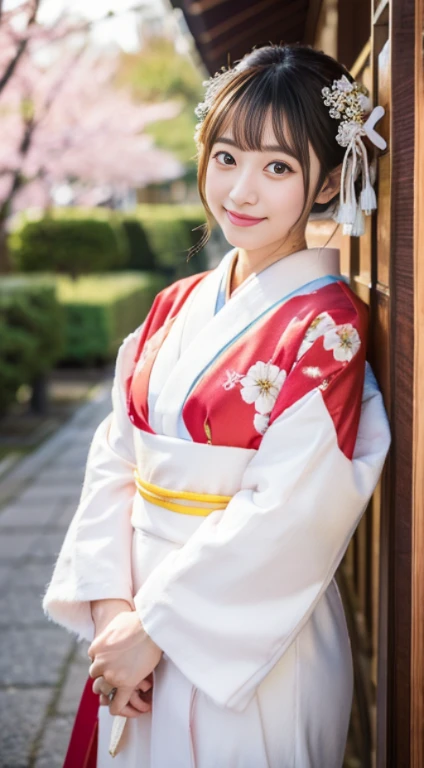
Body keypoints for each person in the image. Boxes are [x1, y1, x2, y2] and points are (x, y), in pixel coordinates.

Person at [43, 42, 391, 768]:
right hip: (137, 613)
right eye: (227, 156)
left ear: (328, 184)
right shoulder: (176, 304)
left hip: (248, 637)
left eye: (278, 167)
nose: (241, 190)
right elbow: (116, 456)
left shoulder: (326, 328)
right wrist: (112, 611)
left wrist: (157, 629)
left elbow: (293, 510)